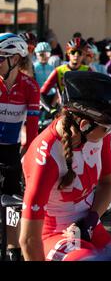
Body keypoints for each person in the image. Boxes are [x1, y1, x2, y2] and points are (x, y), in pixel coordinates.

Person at [19, 71, 111, 261]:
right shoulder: (47, 156)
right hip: (53, 235)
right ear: (85, 125)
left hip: (87, 226)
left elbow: (107, 184)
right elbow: (28, 240)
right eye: (108, 128)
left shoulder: (97, 134)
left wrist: (90, 220)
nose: (110, 133)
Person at [0, 33, 40, 261]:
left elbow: (32, 130)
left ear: (15, 59)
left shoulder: (30, 86)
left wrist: (28, 155)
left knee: (12, 204)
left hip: (11, 151)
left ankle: (13, 247)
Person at [40, 38, 92, 105]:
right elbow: (42, 93)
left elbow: (94, 92)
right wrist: (51, 110)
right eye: (73, 52)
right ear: (68, 53)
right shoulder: (58, 70)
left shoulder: (88, 70)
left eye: (80, 53)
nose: (76, 55)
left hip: (82, 110)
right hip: (64, 109)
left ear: (84, 55)